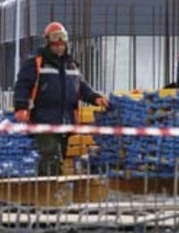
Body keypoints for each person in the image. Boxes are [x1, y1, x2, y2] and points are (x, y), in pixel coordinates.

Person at [14, 21, 110, 176]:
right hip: (44, 120)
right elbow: (22, 86)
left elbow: (82, 87)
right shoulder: (36, 63)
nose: (59, 46)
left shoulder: (71, 66)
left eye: (62, 41)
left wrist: (95, 98)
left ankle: (50, 186)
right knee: (51, 157)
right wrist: (21, 107)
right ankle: (49, 188)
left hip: (66, 120)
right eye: (55, 41)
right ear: (48, 42)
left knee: (60, 157)